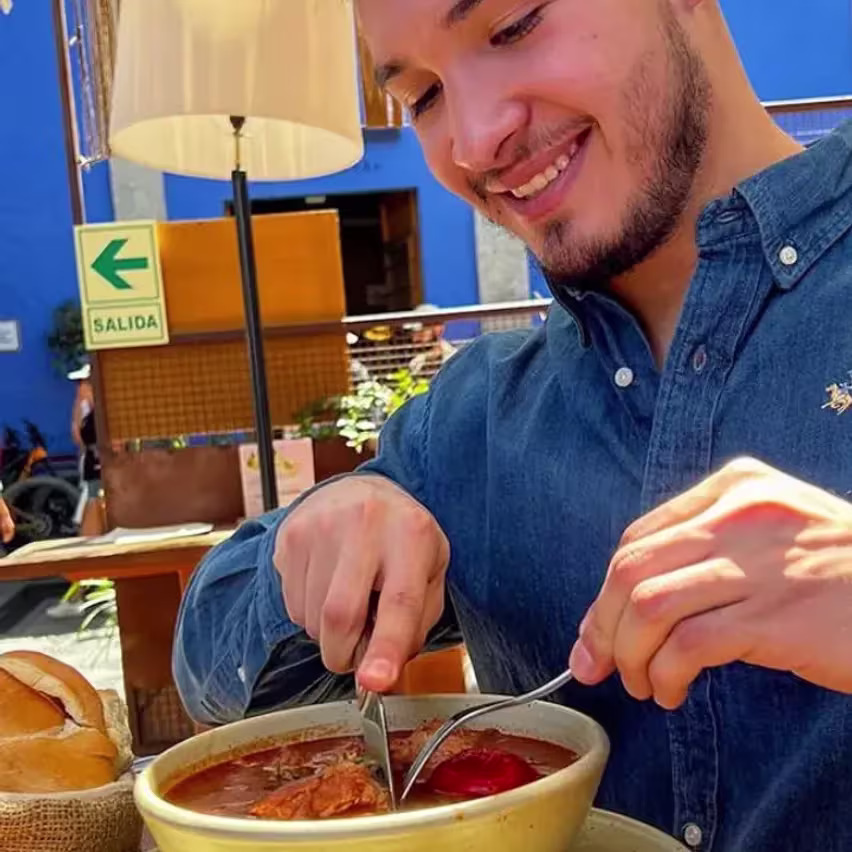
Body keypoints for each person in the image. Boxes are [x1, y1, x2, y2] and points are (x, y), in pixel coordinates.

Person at [174, 3, 852, 849]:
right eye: (423, 96)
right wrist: (319, 544)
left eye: (513, 25)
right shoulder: (473, 424)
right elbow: (208, 664)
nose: (474, 141)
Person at [404, 303, 457, 376]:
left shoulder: (453, 357)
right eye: (412, 332)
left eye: (420, 332)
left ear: (438, 328)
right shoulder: (406, 356)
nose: (414, 339)